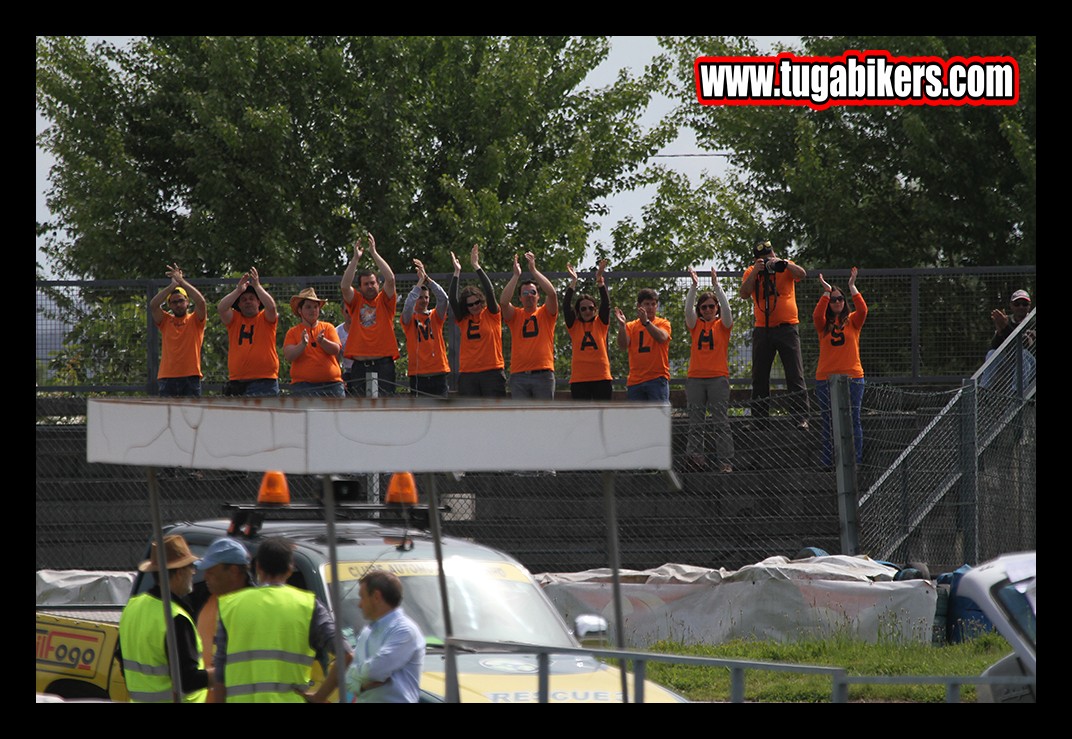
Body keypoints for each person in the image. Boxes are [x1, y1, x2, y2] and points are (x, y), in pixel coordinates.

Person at [215, 536, 349, 703]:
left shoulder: (230, 606)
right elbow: (347, 655)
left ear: (257, 567)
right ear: (290, 570)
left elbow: (220, 672)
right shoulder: (308, 606)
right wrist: (320, 697)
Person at [117, 534, 210, 702]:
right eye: (191, 567)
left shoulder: (133, 606)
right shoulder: (175, 618)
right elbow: (188, 681)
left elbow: (120, 657)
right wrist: (221, 674)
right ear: (180, 572)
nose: (194, 572)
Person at [740, 240, 809, 426]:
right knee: (760, 376)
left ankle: (800, 417)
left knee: (795, 373)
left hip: (787, 327)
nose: (769, 261)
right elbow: (744, 293)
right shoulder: (751, 272)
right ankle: (760, 419)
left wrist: (784, 263)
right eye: (764, 259)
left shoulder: (785, 266)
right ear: (756, 260)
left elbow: (802, 274)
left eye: (770, 256)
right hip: (763, 328)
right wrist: (756, 271)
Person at [342, 570, 424, 703]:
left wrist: (356, 676)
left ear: (376, 596)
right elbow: (347, 680)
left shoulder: (405, 630)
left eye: (362, 597)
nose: (359, 604)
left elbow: (375, 671)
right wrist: (361, 683)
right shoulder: (367, 632)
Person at [813, 267, 867, 468]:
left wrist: (852, 286)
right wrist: (826, 292)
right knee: (829, 421)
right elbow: (817, 315)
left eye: (840, 299)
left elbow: (863, 310)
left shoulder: (853, 320)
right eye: (834, 299)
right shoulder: (823, 324)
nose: (837, 302)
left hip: (852, 377)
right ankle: (828, 462)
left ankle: (855, 461)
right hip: (825, 378)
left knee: (853, 419)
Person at [684, 266, 735, 472]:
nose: (707, 310)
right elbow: (687, 311)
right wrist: (694, 287)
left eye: (711, 306)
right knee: (696, 423)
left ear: (716, 308)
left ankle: (725, 462)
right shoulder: (695, 326)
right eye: (703, 307)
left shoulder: (723, 326)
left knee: (720, 422)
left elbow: (728, 311)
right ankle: (696, 459)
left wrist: (717, 286)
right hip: (696, 378)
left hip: (717, 379)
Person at [340, 232, 400, 396]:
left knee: (385, 409)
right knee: (360, 411)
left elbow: (391, 279)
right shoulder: (356, 301)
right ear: (360, 287)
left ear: (378, 284)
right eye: (366, 284)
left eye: (373, 283)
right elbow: (345, 286)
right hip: (359, 366)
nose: (370, 286)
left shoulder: (385, 300)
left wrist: (374, 253)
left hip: (384, 365)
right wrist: (355, 259)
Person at [194, 537, 253, 701]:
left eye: (211, 572)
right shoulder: (200, 600)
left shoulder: (255, 607)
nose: (205, 576)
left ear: (234, 571)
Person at [448, 245, 506, 397]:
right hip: (468, 374)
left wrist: (476, 266)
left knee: (494, 416)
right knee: (470, 417)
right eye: (470, 304)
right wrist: (456, 272)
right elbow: (452, 300)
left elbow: (490, 291)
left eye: (476, 302)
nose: (474, 306)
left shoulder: (491, 314)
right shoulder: (464, 320)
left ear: (481, 301)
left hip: (492, 372)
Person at [499, 251, 559, 399]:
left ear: (538, 296)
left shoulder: (546, 313)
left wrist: (533, 270)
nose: (529, 296)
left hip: (543, 374)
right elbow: (503, 302)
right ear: (520, 298)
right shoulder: (516, 315)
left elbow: (552, 294)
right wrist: (515, 276)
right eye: (525, 293)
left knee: (544, 419)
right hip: (519, 375)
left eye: (533, 292)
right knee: (522, 419)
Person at [217, 267, 280, 397]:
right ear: (239, 305)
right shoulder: (234, 319)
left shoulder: (266, 318)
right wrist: (238, 290)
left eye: (252, 298)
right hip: (238, 382)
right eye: (244, 300)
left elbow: (271, 307)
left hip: (265, 381)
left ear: (258, 302)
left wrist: (257, 286)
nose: (248, 302)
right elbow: (222, 308)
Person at [149, 264, 208, 397]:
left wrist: (182, 282)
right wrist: (172, 286)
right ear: (170, 305)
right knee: (167, 417)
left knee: (191, 416)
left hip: (190, 377)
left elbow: (201, 302)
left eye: (181, 301)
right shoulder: (165, 321)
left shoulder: (195, 320)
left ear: (187, 302)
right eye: (174, 302)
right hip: (167, 378)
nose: (178, 304)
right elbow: (153, 305)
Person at [400, 259, 451, 397]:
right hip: (419, 375)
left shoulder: (435, 316)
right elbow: (408, 305)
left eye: (426, 297)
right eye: (420, 298)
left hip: (438, 372)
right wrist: (418, 284)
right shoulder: (409, 319)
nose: (424, 301)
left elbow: (444, 299)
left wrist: (427, 279)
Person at [563, 260, 613, 400]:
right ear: (578, 311)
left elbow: (606, 304)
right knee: (582, 419)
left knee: (602, 418)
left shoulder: (600, 323)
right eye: (583, 308)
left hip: (601, 377)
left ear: (595, 310)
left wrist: (600, 281)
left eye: (591, 308)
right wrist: (573, 281)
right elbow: (566, 306)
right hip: (580, 379)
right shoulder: (574, 326)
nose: (587, 311)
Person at [283, 287, 345, 397]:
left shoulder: (328, 327)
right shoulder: (293, 332)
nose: (313, 310)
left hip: (332, 385)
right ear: (300, 310)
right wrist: (302, 344)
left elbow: (336, 349)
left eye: (316, 307)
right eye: (308, 307)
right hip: (303, 387)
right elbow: (289, 356)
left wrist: (323, 341)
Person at [614, 287, 672, 403]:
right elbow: (623, 345)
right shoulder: (631, 326)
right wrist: (622, 326)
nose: (650, 307)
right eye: (646, 304)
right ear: (639, 306)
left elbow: (662, 338)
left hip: (657, 378)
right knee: (638, 419)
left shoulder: (663, 323)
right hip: (635, 381)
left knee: (658, 417)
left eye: (653, 304)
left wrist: (646, 322)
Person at [982, 288, 1035, 391]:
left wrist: (1005, 328)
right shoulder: (1006, 320)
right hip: (1010, 364)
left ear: (1029, 306)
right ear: (1011, 306)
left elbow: (1025, 345)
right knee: (992, 353)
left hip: (1030, 365)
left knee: (1022, 354)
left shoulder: (1033, 322)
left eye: (1024, 304)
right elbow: (994, 346)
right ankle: (984, 390)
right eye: (1017, 304)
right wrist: (1000, 331)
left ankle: (1017, 394)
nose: (1021, 307)